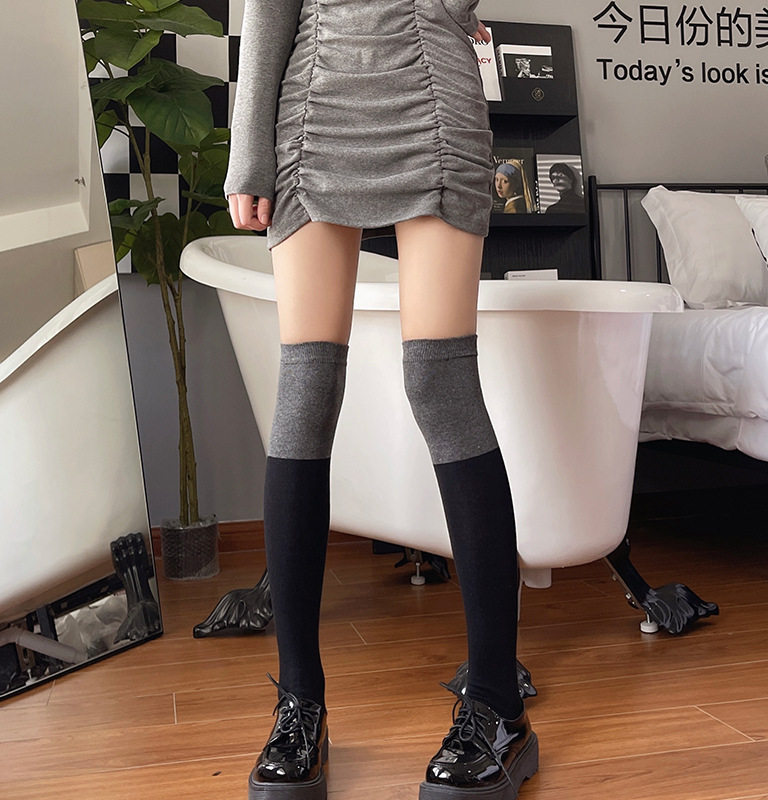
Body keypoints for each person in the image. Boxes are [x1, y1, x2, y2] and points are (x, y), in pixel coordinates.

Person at [223, 3, 538, 800]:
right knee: (304, 391)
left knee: (440, 381)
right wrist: (248, 150)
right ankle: (299, 705)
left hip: (433, 94)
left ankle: (497, 706)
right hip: (314, 104)